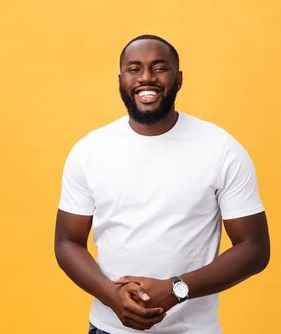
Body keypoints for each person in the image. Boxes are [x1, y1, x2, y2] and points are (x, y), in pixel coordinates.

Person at [54, 34, 270, 333]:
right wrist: (111, 296)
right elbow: (67, 242)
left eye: (159, 68)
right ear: (121, 80)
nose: (146, 78)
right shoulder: (90, 150)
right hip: (108, 328)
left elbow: (254, 248)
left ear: (178, 79)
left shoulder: (221, 149)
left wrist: (177, 288)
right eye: (134, 68)